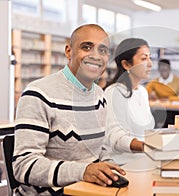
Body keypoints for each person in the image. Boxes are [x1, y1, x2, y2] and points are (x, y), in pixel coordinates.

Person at [13, 24, 125, 195]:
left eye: (103, 50)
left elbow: (101, 149)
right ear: (68, 51)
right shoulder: (38, 94)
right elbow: (24, 166)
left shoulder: (99, 96)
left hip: (89, 191)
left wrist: (110, 171)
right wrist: (84, 171)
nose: (96, 56)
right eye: (86, 47)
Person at [104, 38, 155, 165]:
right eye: (144, 59)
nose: (150, 64)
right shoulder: (114, 93)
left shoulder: (142, 92)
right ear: (126, 64)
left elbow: (145, 132)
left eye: (150, 58)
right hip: (122, 164)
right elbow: (116, 138)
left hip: (145, 159)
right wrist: (148, 147)